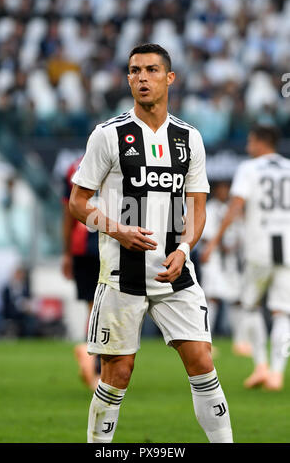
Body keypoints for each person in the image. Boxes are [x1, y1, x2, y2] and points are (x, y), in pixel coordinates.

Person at [69, 43, 233, 443]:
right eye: (134, 71)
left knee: (202, 361)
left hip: (175, 272)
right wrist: (118, 229)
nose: (142, 78)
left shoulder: (189, 138)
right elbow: (77, 203)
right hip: (122, 277)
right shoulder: (108, 136)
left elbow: (197, 208)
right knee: (118, 373)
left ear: (169, 78)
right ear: (127, 78)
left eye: (151, 70)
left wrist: (184, 248)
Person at [202, 125, 290, 391]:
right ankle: (277, 373)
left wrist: (213, 242)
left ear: (261, 142)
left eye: (251, 141)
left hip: (259, 248)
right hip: (287, 249)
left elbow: (236, 206)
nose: (248, 146)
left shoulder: (249, 169)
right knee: (282, 312)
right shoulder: (288, 167)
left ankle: (261, 366)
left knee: (250, 306)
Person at [200, 180, 252, 355]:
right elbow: (205, 236)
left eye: (226, 189)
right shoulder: (210, 208)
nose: (224, 192)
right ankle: (207, 342)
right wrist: (221, 246)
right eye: (221, 189)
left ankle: (240, 341)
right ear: (215, 191)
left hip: (231, 262)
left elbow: (243, 234)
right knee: (212, 299)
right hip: (214, 260)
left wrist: (235, 246)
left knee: (237, 299)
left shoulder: (233, 210)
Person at [62, 158, 100, 390]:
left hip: (80, 247)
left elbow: (67, 210)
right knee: (106, 306)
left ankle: (91, 355)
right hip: (108, 242)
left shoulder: (73, 167)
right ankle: (94, 362)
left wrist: (66, 253)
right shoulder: (122, 160)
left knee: (93, 305)